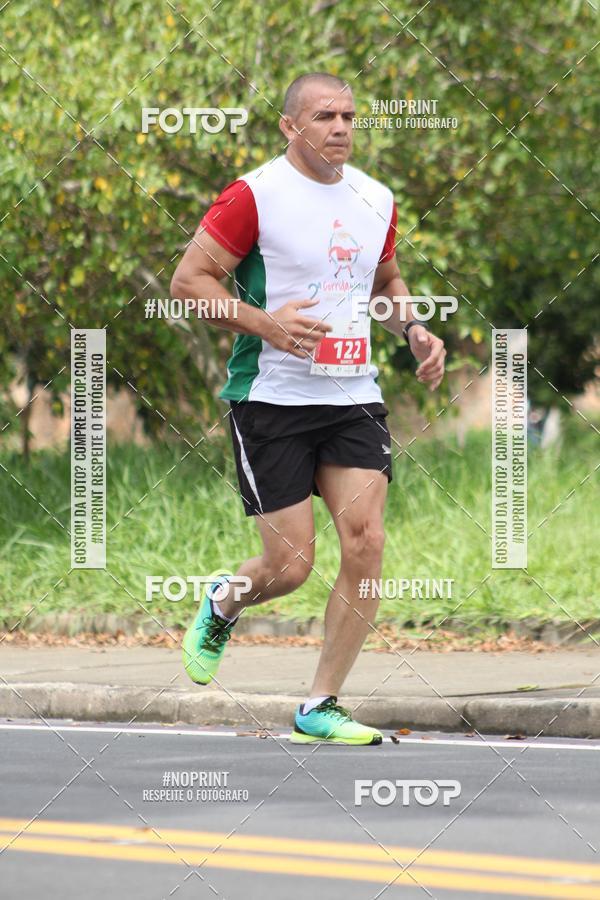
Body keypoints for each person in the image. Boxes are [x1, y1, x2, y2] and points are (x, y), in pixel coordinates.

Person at [170, 72, 446, 745]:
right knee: (290, 567)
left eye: (350, 115)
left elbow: (384, 281)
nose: (342, 127)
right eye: (325, 116)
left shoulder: (375, 198)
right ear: (291, 127)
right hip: (272, 398)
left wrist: (413, 329)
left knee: (367, 543)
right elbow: (187, 282)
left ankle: (320, 704)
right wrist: (265, 324)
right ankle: (225, 600)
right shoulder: (254, 195)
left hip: (353, 395)